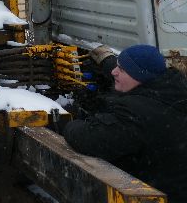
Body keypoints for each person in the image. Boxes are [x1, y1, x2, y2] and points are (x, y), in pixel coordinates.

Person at [60, 44, 187, 202]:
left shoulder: (136, 114)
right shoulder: (173, 91)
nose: (114, 72)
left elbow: (88, 139)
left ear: (140, 76)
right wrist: (110, 63)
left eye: (121, 69)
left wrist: (69, 121)